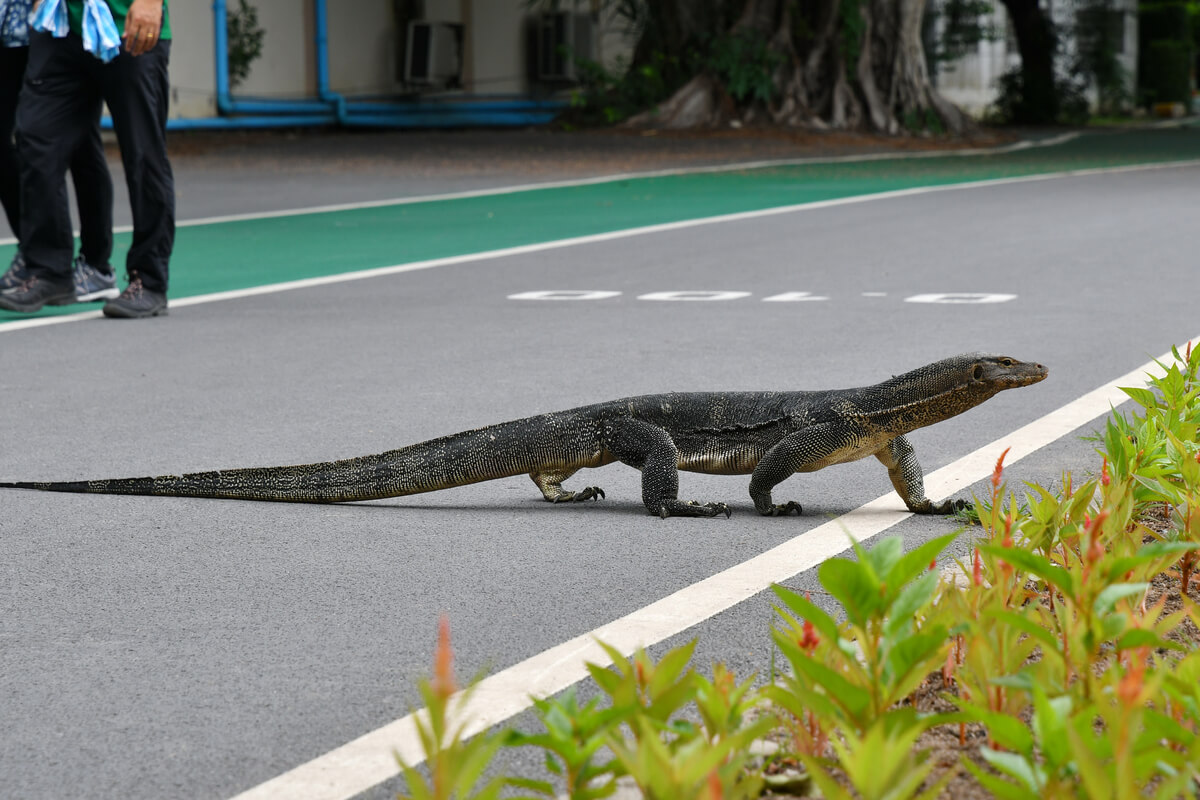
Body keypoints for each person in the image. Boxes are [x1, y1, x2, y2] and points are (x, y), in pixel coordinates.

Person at [0, 0, 173, 318]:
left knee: (143, 154)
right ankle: (50, 270)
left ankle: (148, 280)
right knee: (35, 137)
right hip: (61, 25)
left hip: (127, 22)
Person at [0, 0, 118, 305]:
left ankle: (96, 263)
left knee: (81, 143)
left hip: (57, 24)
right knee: (16, 142)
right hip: (9, 27)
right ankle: (35, 252)